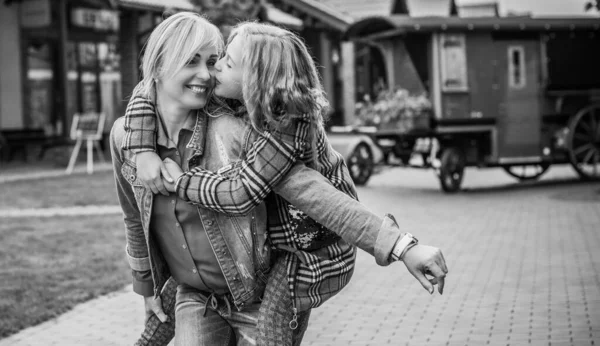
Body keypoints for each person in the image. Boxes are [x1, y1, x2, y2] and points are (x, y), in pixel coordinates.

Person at [119, 15, 448, 346]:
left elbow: (315, 197)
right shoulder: (142, 129)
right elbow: (147, 92)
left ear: (254, 81)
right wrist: (141, 149)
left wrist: (403, 247)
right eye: (198, 61)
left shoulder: (261, 133)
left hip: (304, 255)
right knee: (173, 303)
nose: (209, 73)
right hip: (222, 277)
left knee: (272, 327)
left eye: (219, 62)